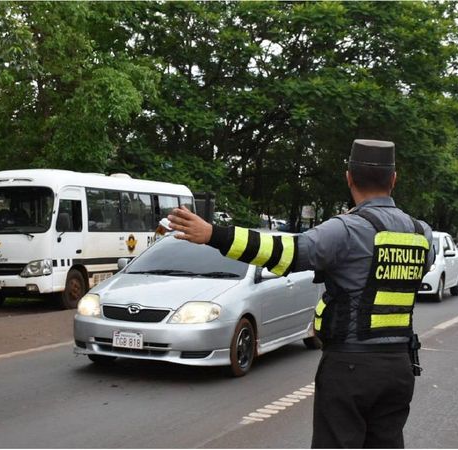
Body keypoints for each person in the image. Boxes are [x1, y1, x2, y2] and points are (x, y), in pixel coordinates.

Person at [167, 139, 434, 449]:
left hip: (350, 367)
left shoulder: (346, 229)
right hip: (398, 367)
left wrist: (215, 235)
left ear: (348, 177)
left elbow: (286, 253)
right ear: (394, 179)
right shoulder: (420, 232)